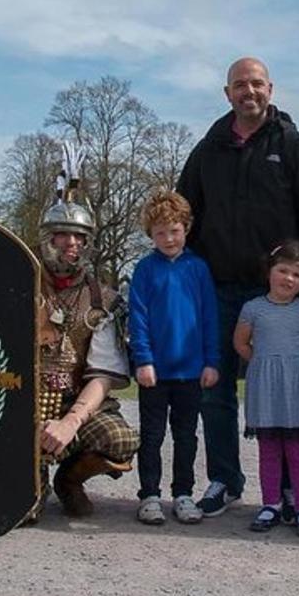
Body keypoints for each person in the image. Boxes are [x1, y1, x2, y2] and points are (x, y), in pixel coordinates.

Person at [178, 57, 299, 518]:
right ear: (227, 93)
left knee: (282, 390)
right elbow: (184, 215)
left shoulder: (294, 146)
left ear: (271, 89)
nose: (249, 91)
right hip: (218, 289)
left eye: (257, 84)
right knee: (214, 390)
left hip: (280, 297)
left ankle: (286, 489)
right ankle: (225, 478)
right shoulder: (207, 150)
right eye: (240, 85)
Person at [35, 177, 141, 518]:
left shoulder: (102, 299)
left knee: (120, 440)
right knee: (24, 508)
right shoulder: (16, 283)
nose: (72, 243)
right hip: (23, 406)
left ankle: (69, 480)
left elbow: (102, 377)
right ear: (46, 237)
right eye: (63, 234)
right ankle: (32, 483)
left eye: (79, 236)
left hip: (75, 401)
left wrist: (69, 422)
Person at [127, 190, 220, 525]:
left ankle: (183, 493)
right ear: (150, 235)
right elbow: (137, 317)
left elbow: (210, 317)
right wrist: (143, 360)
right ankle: (149, 494)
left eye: (174, 230)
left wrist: (212, 361)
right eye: (161, 232)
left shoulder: (198, 269)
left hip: (191, 370)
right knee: (152, 435)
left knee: (186, 435)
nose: (168, 238)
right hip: (155, 370)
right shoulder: (144, 270)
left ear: (187, 228)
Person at [234, 240, 299, 537]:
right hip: (266, 386)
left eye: (297, 275)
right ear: (270, 272)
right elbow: (240, 342)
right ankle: (270, 503)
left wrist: (294, 363)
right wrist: (264, 362)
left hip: (296, 387)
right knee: (269, 449)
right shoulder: (253, 308)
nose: (289, 279)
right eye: (283, 271)